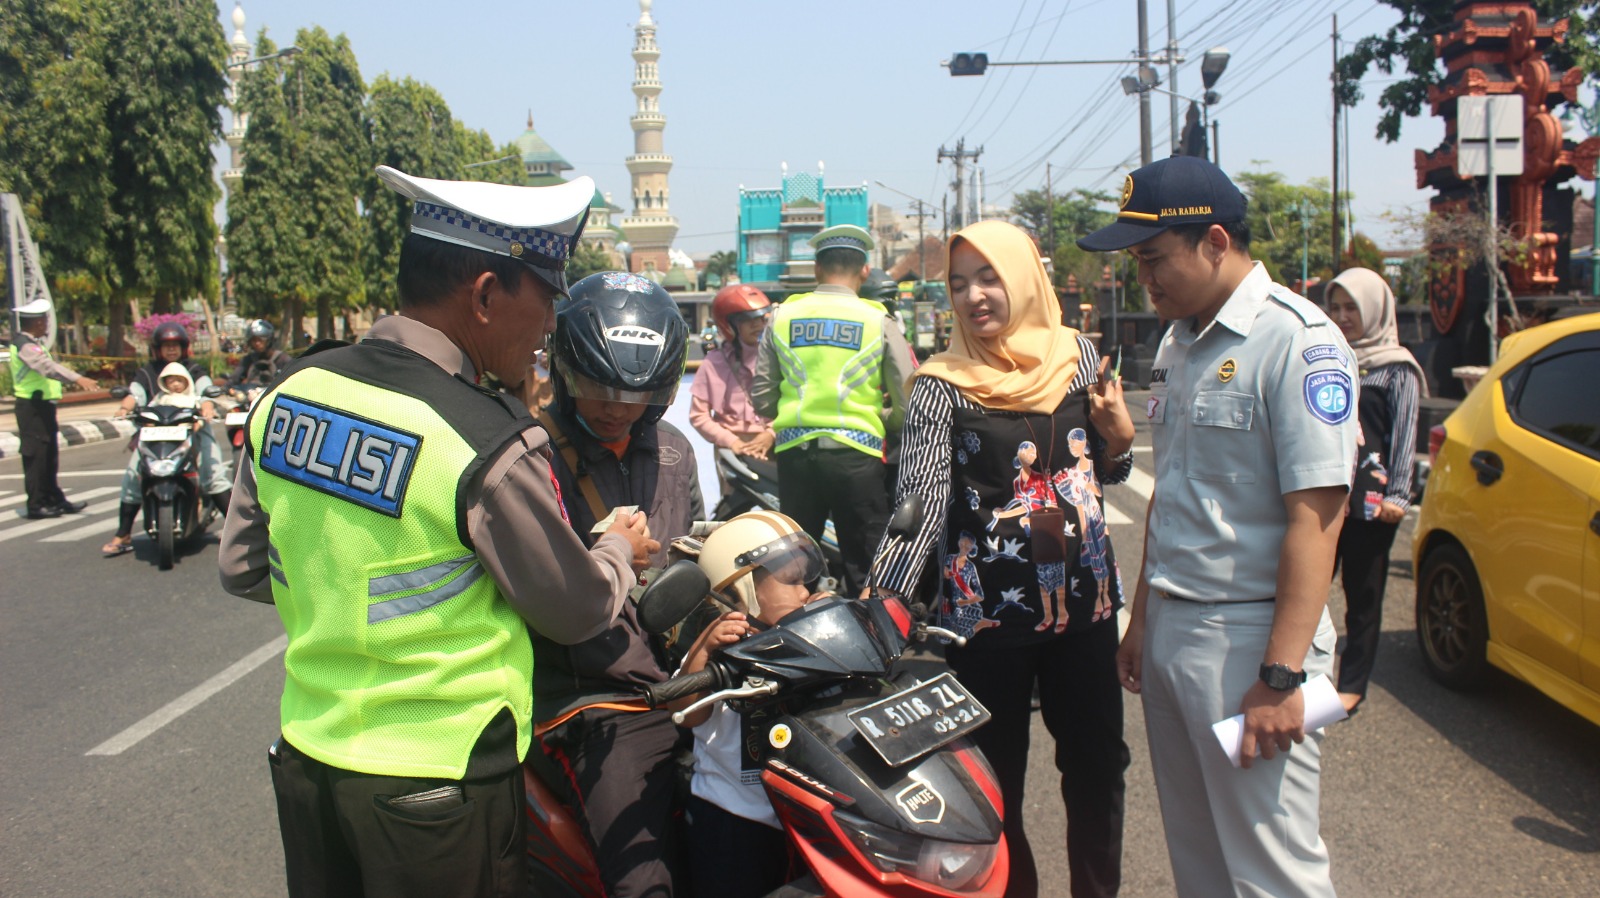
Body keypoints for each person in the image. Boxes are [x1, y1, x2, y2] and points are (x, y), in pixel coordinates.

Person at [218, 164, 657, 898]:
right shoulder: (480, 438)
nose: (550, 325)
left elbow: (242, 567)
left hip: (310, 759)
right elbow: (575, 609)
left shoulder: (292, 392)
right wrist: (617, 549)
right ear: (486, 295)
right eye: (546, 299)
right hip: (438, 786)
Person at [1080, 155, 1358, 898]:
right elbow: (1173, 498)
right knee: (1198, 857)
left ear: (1212, 242)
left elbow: (1317, 521)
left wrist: (1280, 676)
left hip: (1251, 644)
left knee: (1272, 870)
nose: (1145, 281)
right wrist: (1144, 621)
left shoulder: (1298, 342)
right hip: (1177, 629)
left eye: (1153, 260)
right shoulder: (1177, 344)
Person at [872, 219, 1135, 898]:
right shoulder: (940, 385)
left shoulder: (1078, 358)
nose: (973, 296)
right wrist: (880, 606)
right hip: (988, 622)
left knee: (1099, 767)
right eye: (958, 284)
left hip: (1086, 605)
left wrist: (1123, 441)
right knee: (995, 787)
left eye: (989, 277)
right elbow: (920, 503)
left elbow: (1102, 467)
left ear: (1021, 277)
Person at [530, 270, 700, 898]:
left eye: (638, 393)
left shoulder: (677, 452)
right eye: (598, 387)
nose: (616, 406)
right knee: (644, 883)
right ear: (564, 371)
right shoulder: (532, 456)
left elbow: (700, 554)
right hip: (598, 694)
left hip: (690, 676)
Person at [751, 224, 916, 594]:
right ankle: (872, 644)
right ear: (863, 271)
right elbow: (907, 399)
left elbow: (761, 397)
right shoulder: (878, 320)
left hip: (797, 458)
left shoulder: (782, 317)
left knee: (796, 570)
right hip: (858, 461)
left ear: (816, 269)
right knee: (867, 569)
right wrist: (883, 419)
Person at [675, 510, 824, 897]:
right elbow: (688, 713)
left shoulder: (801, 640)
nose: (805, 592)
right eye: (792, 582)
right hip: (730, 816)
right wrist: (705, 649)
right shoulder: (719, 647)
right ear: (742, 589)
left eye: (806, 581)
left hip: (794, 812)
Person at [1325, 267, 1424, 716]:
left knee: (1362, 598)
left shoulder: (1396, 368)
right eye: (1337, 307)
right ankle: (1304, 669)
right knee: (1301, 583)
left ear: (1376, 311)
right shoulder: (1329, 355)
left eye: (1352, 308)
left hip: (1371, 503)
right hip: (1326, 495)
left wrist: (1398, 496)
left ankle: (1353, 683)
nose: (1343, 317)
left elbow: (1406, 433)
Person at [102, 322, 233, 557]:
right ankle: (123, 534)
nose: (171, 350)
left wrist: (207, 407)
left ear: (183, 348)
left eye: (175, 345)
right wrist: (124, 408)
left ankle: (238, 532)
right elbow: (134, 394)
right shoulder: (147, 372)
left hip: (192, 431)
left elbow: (205, 391)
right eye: (166, 345)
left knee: (213, 473)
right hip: (154, 434)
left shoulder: (194, 369)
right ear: (157, 348)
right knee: (133, 474)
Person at [7, 299, 98, 519]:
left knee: (49, 455)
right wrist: (78, 378)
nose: (47, 323)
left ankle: (54, 498)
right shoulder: (24, 345)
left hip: (42, 405)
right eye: (45, 319)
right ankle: (37, 505)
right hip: (31, 407)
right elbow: (46, 368)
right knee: (36, 456)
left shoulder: (32, 343)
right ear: (38, 322)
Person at [690, 283, 776, 463]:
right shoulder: (714, 363)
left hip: (775, 444)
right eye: (747, 320)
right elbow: (698, 416)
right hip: (731, 451)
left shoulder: (778, 358)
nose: (758, 325)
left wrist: (771, 433)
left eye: (761, 318)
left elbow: (795, 403)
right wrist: (732, 441)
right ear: (728, 325)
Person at [226, 319, 290, 390]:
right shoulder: (248, 359)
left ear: (269, 340)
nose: (257, 343)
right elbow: (234, 378)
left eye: (260, 340)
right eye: (254, 340)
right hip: (250, 397)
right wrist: (225, 387)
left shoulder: (283, 359)